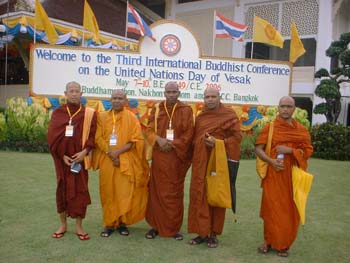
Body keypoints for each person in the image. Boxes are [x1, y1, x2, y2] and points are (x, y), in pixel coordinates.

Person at [255, 96, 313, 257]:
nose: (285, 109)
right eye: (283, 106)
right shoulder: (270, 127)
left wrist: (290, 151)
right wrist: (271, 161)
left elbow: (307, 150)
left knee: (288, 210)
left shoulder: (301, 130)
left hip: (292, 176)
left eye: (289, 106)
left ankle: (283, 244)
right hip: (273, 175)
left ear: (294, 109)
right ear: (278, 108)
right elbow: (258, 149)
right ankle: (268, 241)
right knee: (271, 209)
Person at [188, 87, 242, 248]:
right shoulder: (201, 116)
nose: (210, 99)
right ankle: (201, 232)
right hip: (200, 162)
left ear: (220, 97)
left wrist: (218, 143)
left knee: (215, 194)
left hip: (218, 163)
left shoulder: (229, 115)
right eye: (207, 97)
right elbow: (195, 139)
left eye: (213, 96)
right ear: (203, 99)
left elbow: (237, 137)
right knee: (199, 195)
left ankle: (213, 234)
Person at [92, 89, 149, 237]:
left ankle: (122, 223)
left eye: (120, 98)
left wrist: (118, 153)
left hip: (125, 159)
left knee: (123, 192)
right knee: (108, 191)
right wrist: (110, 152)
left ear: (125, 101)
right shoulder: (102, 116)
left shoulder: (131, 117)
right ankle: (110, 224)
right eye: (114, 98)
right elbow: (98, 137)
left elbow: (136, 139)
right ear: (110, 100)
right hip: (107, 159)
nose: (117, 101)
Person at [47, 81, 97, 241]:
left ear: (81, 94)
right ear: (66, 93)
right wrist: (62, 156)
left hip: (80, 160)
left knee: (80, 191)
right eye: (71, 91)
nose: (74, 93)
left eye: (77, 91)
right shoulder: (58, 113)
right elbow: (51, 138)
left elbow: (93, 136)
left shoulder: (89, 113)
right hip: (62, 161)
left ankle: (79, 226)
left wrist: (85, 152)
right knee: (61, 190)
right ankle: (62, 224)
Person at [144, 81, 194, 240]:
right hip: (160, 156)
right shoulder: (157, 108)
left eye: (174, 92)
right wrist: (158, 140)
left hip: (176, 158)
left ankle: (172, 228)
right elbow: (149, 130)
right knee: (156, 192)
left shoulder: (186, 110)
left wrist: (172, 143)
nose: (171, 94)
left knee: (174, 193)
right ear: (164, 93)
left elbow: (189, 134)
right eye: (168, 92)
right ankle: (155, 226)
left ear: (179, 93)